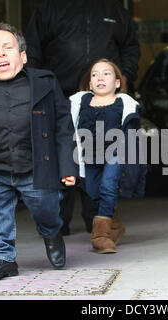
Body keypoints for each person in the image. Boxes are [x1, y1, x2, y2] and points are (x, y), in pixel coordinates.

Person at [0, 22, 78, 282]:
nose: (0, 54)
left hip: (36, 167)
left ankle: (51, 232)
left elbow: (63, 128)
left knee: (47, 210)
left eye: (7, 48)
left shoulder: (44, 83)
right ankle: (3, 258)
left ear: (22, 56)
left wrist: (68, 167)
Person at [25, 0, 141, 235]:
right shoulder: (49, 9)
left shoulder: (113, 9)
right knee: (61, 155)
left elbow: (130, 47)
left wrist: (125, 77)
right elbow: (33, 52)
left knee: (97, 155)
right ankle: (58, 221)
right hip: (59, 96)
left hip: (101, 99)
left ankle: (97, 219)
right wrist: (37, 88)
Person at [70, 58, 146, 253]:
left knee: (108, 185)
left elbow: (131, 132)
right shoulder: (80, 101)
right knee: (92, 191)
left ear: (117, 83)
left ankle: (101, 235)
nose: (100, 78)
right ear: (89, 83)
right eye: (95, 75)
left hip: (115, 150)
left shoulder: (123, 102)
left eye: (106, 73)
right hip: (87, 153)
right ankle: (116, 224)